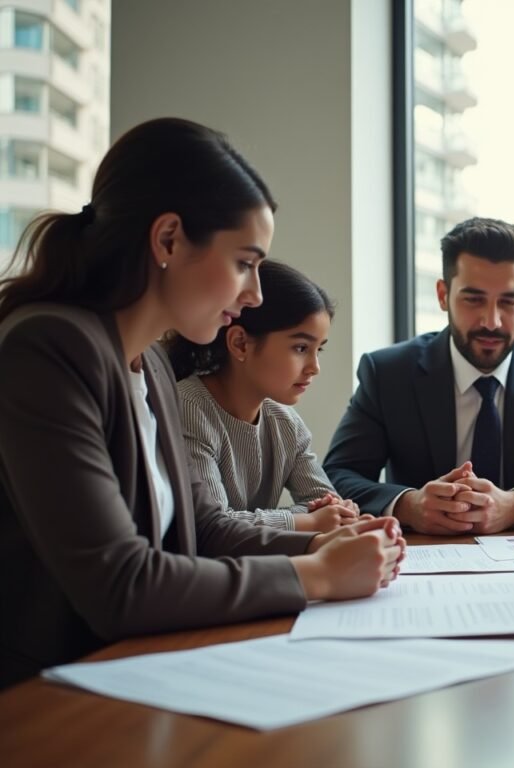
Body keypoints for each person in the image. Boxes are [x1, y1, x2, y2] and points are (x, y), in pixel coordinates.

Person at [0, 118, 404, 688]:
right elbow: (122, 585)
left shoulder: (154, 365)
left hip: (145, 666)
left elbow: (206, 531)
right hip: (54, 692)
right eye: (245, 262)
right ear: (167, 240)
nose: (255, 294)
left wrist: (322, 541)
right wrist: (315, 574)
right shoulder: (48, 348)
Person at [324, 217, 514, 535]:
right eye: (474, 299)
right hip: (420, 559)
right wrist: (409, 505)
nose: (491, 321)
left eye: (508, 301)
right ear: (442, 294)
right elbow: (337, 475)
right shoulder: (388, 373)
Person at [166, 260, 360, 534]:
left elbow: (330, 507)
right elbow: (212, 527)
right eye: (301, 347)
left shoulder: (287, 424)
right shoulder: (187, 408)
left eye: (319, 350)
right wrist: (307, 520)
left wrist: (329, 514)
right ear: (240, 343)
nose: (315, 367)